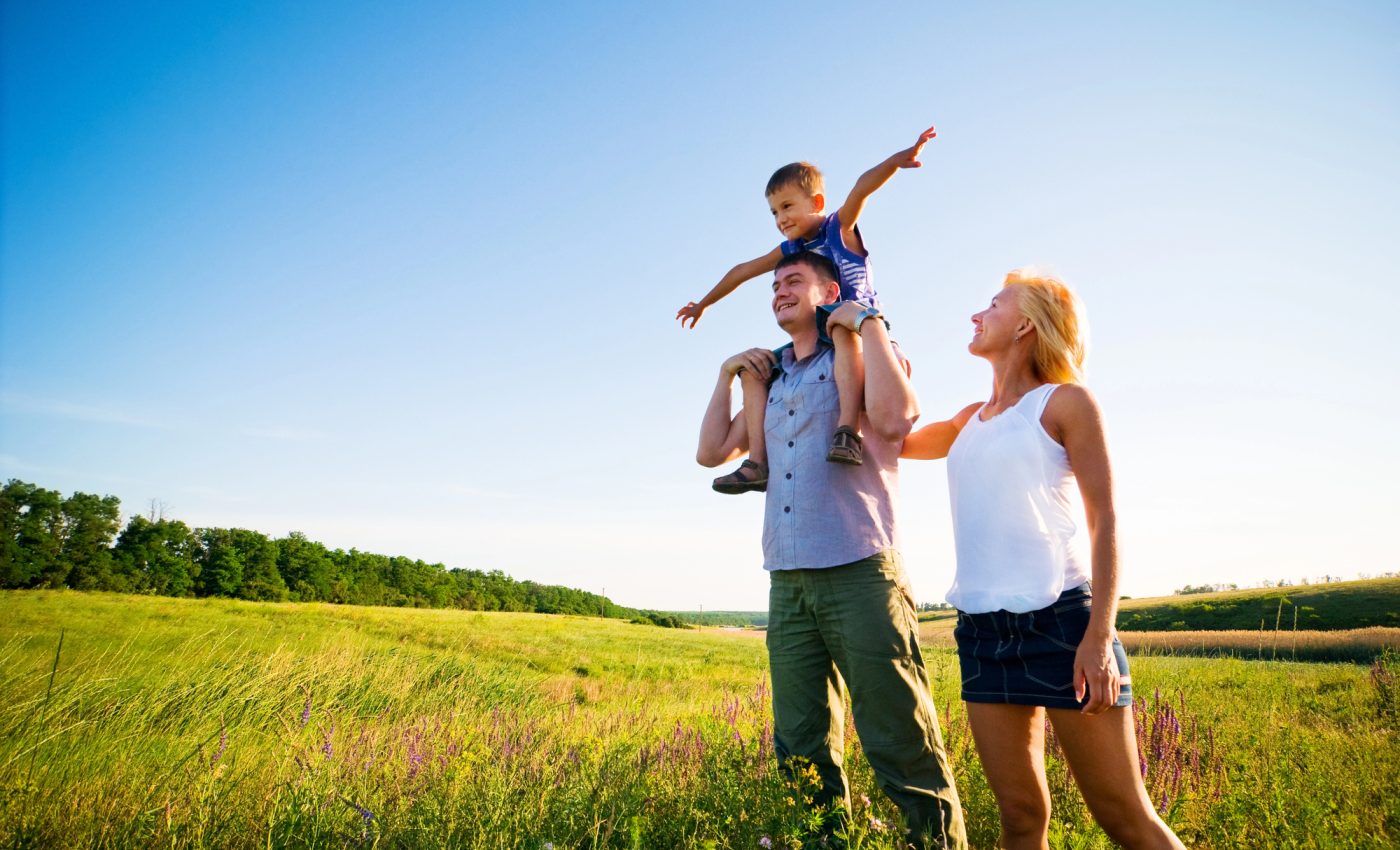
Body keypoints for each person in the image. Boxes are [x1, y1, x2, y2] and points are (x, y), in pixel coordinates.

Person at [901, 269, 1188, 850]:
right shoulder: (966, 421)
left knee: (1123, 815)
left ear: (1026, 324)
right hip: (981, 634)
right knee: (1021, 816)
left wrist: (1099, 638)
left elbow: (1104, 521)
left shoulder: (1066, 403)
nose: (976, 315)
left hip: (1063, 625)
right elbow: (894, 439)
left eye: (993, 304)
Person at [696, 251, 967, 849]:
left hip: (860, 571)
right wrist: (724, 375)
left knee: (899, 734)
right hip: (787, 580)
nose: (778, 291)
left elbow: (897, 421)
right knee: (800, 744)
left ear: (828, 291)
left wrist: (868, 322)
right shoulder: (774, 382)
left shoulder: (860, 358)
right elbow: (711, 451)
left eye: (792, 280)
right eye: (772, 286)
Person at [679, 126, 937, 493]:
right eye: (773, 212)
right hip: (818, 335)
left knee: (840, 327)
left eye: (787, 207)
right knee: (756, 369)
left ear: (816, 203)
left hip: (856, 326)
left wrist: (896, 161)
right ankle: (758, 462)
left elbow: (861, 188)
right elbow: (743, 270)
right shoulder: (791, 250)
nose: (780, 219)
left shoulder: (837, 228)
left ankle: (846, 429)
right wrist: (704, 303)